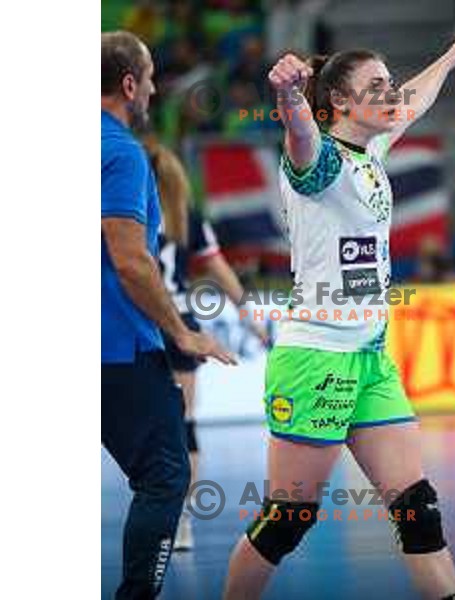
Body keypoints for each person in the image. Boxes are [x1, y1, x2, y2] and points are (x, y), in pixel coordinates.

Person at [223, 34, 455, 600]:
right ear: (340, 103)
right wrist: (291, 97)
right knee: (287, 520)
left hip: (370, 359)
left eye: (388, 81)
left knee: (418, 510)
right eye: (375, 87)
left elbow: (412, 99)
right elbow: (299, 135)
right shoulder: (318, 166)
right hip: (317, 358)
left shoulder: (374, 150)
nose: (389, 93)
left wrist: (451, 57)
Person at [101, 31, 236, 599]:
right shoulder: (120, 151)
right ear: (129, 84)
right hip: (117, 345)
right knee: (165, 475)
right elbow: (130, 260)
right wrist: (181, 332)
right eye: (151, 77)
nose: (155, 89)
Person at [143, 136, 270, 551]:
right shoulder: (187, 216)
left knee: (152, 425)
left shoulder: (123, 210)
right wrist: (249, 312)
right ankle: (181, 521)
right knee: (184, 424)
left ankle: (163, 512)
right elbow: (218, 268)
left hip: (141, 318)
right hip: (181, 317)